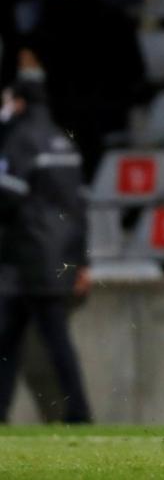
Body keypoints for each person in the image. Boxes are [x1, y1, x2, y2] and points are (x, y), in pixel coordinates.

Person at [0, 74, 91, 424]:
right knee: (24, 340)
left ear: (20, 102)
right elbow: (79, 207)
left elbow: (8, 196)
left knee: (23, 341)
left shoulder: (21, 139)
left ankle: (79, 414)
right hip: (59, 257)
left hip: (27, 258)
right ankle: (77, 413)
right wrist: (82, 260)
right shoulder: (62, 141)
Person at [27, 0, 148, 182]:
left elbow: (131, 72)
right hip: (57, 116)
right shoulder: (38, 33)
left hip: (103, 113)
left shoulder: (111, 22)